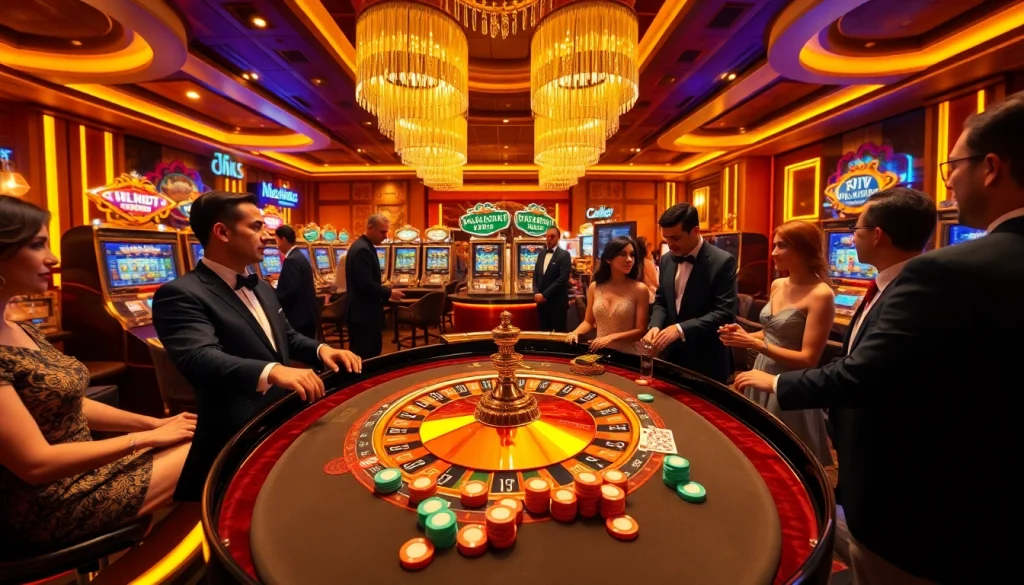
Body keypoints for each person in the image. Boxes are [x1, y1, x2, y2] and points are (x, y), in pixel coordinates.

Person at [736, 94, 1024, 584]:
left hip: (924, 504)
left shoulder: (945, 272)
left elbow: (868, 374)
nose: (949, 179)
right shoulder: (933, 275)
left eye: (953, 165)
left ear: (991, 167)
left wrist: (772, 383)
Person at [0, 196, 195, 546]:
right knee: (209, 453)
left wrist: (155, 423)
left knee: (203, 438)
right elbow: (35, 464)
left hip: (78, 474)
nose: (53, 258)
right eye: (36, 244)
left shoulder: (21, 328)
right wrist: (146, 438)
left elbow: (72, 403)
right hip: (41, 505)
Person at [153, 191, 360, 502]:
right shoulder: (181, 294)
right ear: (222, 232)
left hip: (280, 417)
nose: (267, 236)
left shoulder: (260, 285)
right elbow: (199, 358)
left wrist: (322, 351)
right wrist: (273, 371)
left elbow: (286, 338)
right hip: (233, 438)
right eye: (256, 227)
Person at [718, 220, 835, 466]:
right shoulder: (778, 284)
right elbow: (772, 333)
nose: (772, 253)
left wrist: (755, 344)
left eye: (781, 246)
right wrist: (744, 335)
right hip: (760, 372)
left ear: (803, 250)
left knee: (785, 459)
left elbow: (808, 359)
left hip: (790, 381)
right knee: (756, 448)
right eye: (773, 245)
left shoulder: (821, 294)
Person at [643, 203, 737, 382]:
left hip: (707, 360)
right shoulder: (666, 260)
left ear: (695, 230)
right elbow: (661, 300)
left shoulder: (723, 261)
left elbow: (725, 313)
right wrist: (655, 325)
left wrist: (680, 329)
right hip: (670, 356)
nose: (670, 244)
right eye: (666, 238)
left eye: (676, 238)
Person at [566, 236, 649, 353]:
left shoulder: (640, 289)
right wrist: (575, 332)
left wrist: (611, 337)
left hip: (629, 356)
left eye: (632, 254)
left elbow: (641, 330)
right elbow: (588, 322)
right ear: (608, 259)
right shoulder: (595, 286)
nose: (629, 259)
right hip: (600, 352)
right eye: (623, 254)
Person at [346, 214, 403, 359]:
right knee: (364, 357)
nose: (385, 236)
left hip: (365, 312)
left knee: (370, 355)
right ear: (370, 228)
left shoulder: (364, 246)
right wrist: (389, 293)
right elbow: (365, 284)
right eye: (382, 232)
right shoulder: (362, 250)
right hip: (363, 314)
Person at [273, 225, 319, 339]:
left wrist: (272, 297)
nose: (276, 244)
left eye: (276, 240)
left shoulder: (292, 260)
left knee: (301, 353)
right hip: (307, 315)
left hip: (299, 318)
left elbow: (290, 290)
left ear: (283, 239)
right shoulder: (299, 255)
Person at [533, 226, 571, 332]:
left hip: (557, 303)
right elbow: (535, 275)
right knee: (543, 334)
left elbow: (563, 278)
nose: (549, 239)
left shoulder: (564, 255)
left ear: (558, 237)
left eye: (552, 236)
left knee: (559, 335)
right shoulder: (541, 254)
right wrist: (536, 293)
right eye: (547, 236)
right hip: (541, 304)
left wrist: (545, 295)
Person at [635, 236, 659, 305]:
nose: (650, 248)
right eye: (647, 245)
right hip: (650, 299)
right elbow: (657, 283)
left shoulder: (635, 262)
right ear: (643, 249)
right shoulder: (647, 263)